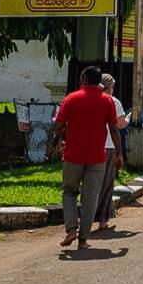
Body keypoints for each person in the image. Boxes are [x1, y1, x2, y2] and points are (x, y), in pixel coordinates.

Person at [52, 66, 123, 249]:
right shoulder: (107, 101)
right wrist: (119, 154)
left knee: (69, 191)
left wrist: (54, 142)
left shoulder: (71, 98)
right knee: (90, 197)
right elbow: (114, 129)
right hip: (97, 156)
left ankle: (71, 229)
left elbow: (59, 125)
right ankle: (83, 239)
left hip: (73, 155)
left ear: (83, 78)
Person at [93, 73, 131, 232]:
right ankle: (103, 218)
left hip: (91, 145)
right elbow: (120, 125)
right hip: (108, 146)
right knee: (107, 183)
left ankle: (94, 215)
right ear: (110, 87)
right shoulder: (113, 102)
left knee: (93, 184)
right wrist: (129, 118)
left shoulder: (90, 100)